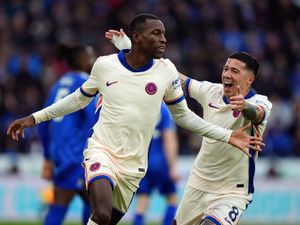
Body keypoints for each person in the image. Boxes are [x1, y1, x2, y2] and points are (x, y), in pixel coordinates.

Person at [7, 13, 263, 225]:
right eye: (156, 34)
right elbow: (78, 99)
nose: (163, 39)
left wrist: (228, 135)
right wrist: (34, 118)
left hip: (134, 167)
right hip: (101, 151)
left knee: (103, 220)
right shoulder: (105, 65)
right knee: (102, 213)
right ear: (138, 38)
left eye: (164, 34)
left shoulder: (166, 71)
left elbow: (184, 116)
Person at [108, 31, 272, 225]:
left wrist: (244, 106)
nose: (227, 74)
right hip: (198, 184)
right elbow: (173, 76)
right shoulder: (211, 91)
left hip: (232, 192)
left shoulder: (260, 102)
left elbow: (258, 113)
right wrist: (131, 49)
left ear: (249, 80)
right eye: (226, 68)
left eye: (235, 71)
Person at [39, 44, 96, 225]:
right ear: (81, 60)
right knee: (93, 203)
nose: (93, 60)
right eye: (90, 56)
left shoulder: (58, 84)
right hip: (77, 154)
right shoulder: (85, 83)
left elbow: (43, 124)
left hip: (60, 154)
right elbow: (93, 120)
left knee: (89, 202)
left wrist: (47, 157)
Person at [133, 103, 179, 225]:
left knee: (142, 200)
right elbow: (169, 137)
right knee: (172, 198)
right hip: (160, 160)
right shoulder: (162, 108)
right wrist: (173, 167)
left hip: (141, 161)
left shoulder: (139, 107)